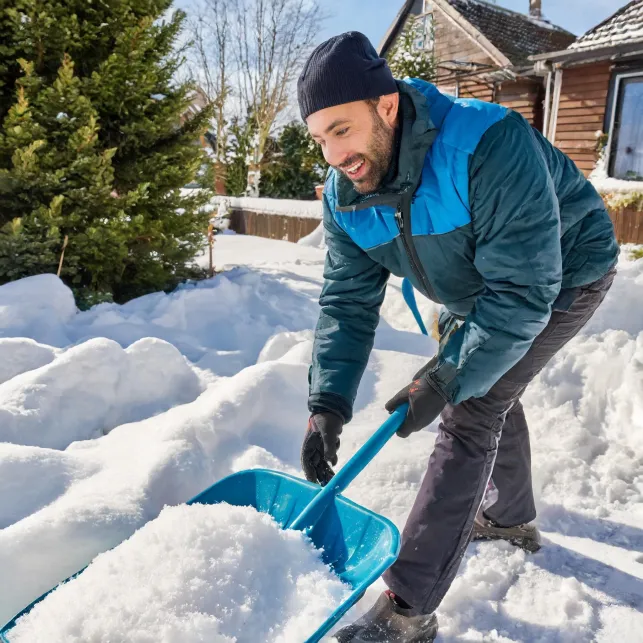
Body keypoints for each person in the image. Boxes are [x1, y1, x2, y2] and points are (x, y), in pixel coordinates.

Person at [297, 31, 619, 643]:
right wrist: (327, 404)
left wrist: (443, 380)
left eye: (342, 129)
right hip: (478, 288)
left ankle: (408, 609)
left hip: (564, 274)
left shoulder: (485, 145)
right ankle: (509, 518)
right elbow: (347, 301)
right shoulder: (348, 194)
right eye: (320, 139)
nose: (334, 154)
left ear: (386, 106)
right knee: (489, 379)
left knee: (472, 403)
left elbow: (524, 295)